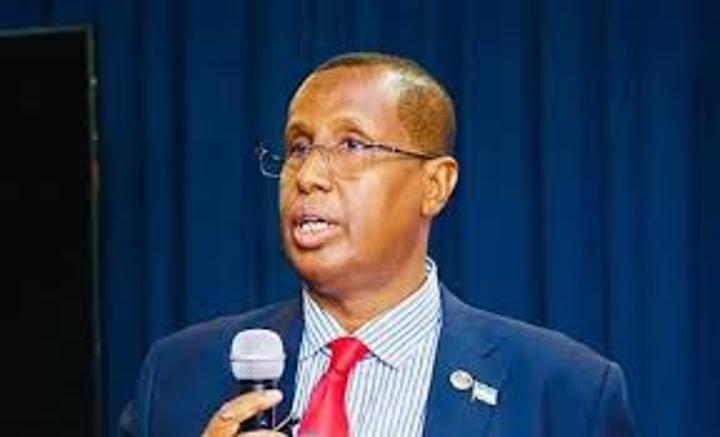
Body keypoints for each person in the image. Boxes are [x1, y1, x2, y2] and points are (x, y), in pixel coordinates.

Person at [121, 52, 635, 437]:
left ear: (435, 185)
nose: (308, 175)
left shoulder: (565, 393)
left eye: (351, 145)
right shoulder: (178, 375)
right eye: (298, 147)